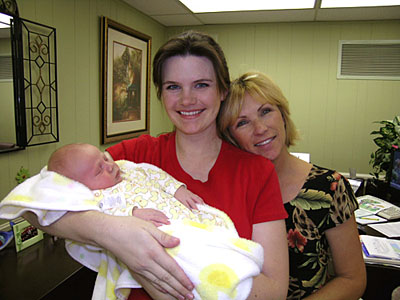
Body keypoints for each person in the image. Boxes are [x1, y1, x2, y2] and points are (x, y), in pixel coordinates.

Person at [24, 31, 289, 300]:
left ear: (222, 91)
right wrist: (116, 234)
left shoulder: (256, 173)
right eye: (173, 86)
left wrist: (171, 280)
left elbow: (274, 291)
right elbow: (34, 204)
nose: (187, 100)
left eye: (201, 85)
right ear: (160, 94)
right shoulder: (131, 158)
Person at [0, 142, 265, 300]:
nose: (109, 166)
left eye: (105, 158)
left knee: (211, 237)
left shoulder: (128, 165)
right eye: (99, 170)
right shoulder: (96, 196)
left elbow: (156, 175)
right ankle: (217, 281)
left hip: (181, 217)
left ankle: (232, 260)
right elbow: (38, 206)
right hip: (162, 234)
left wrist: (177, 190)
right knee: (185, 259)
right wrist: (130, 217)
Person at [218, 71, 367, 299]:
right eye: (242, 122)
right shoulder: (225, 191)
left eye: (266, 111)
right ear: (230, 137)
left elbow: (352, 279)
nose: (260, 128)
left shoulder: (329, 187)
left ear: (283, 115)